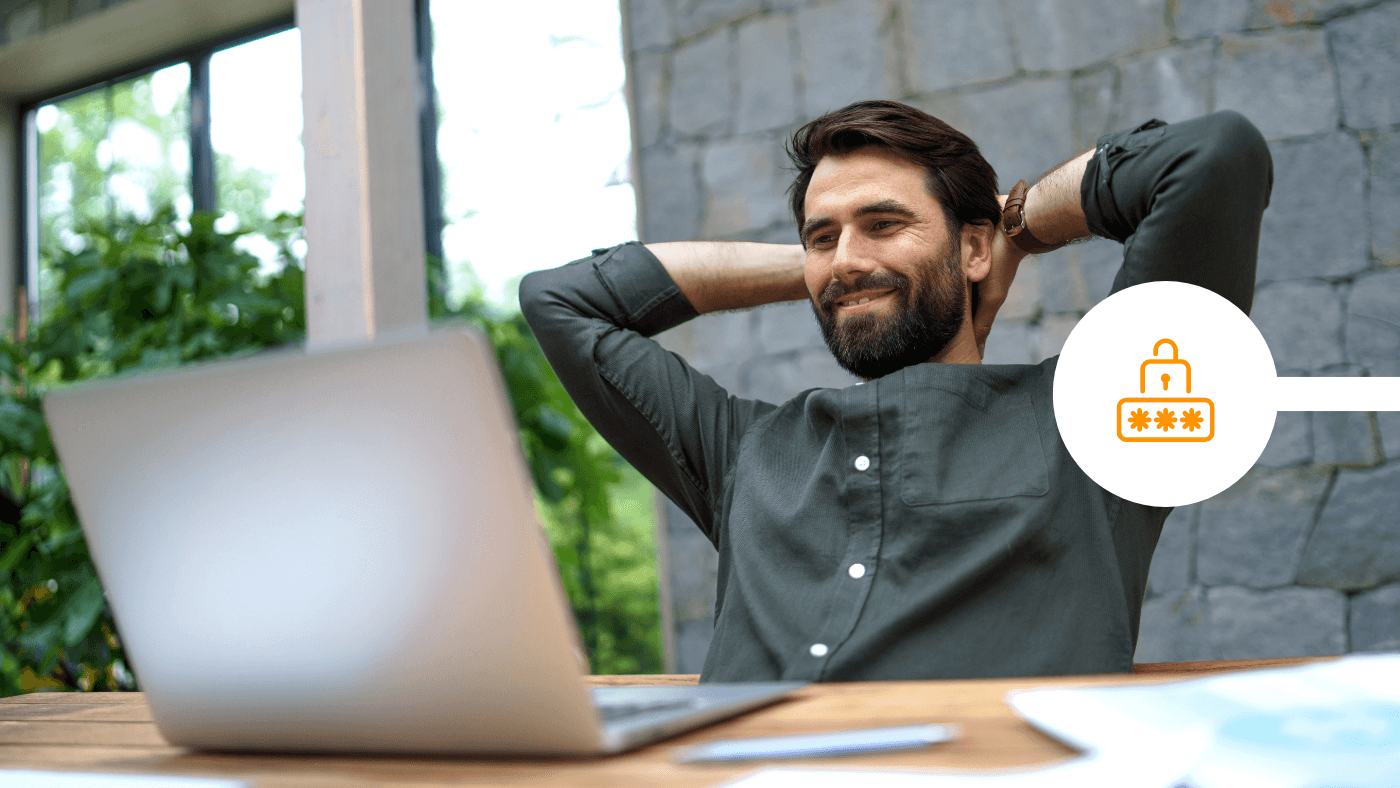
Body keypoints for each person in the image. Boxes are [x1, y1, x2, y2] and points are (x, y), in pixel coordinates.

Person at [519, 101, 1272, 682]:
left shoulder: (1098, 424)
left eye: (884, 223)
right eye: (823, 235)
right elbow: (560, 300)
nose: (845, 257)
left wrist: (1015, 227)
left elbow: (1212, 158)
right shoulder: (741, 451)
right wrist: (833, 269)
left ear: (971, 247)